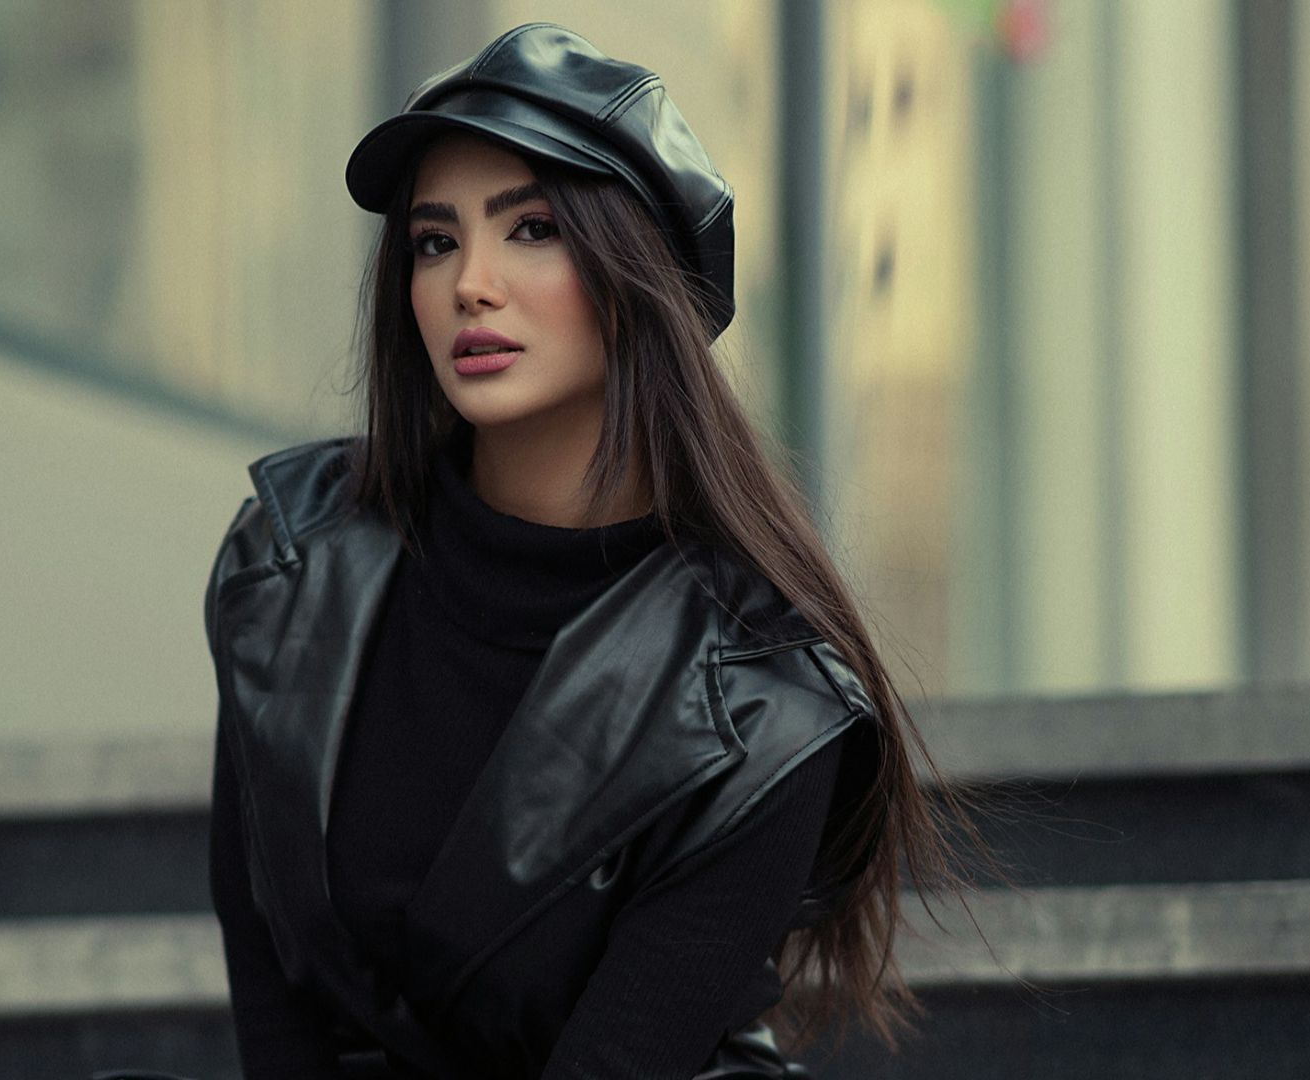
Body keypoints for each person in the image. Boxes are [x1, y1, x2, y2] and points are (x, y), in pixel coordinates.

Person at [201, 22, 983, 1080]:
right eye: (436, 242)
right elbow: (277, 1001)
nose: (471, 282)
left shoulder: (759, 701)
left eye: (530, 231)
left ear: (635, 275)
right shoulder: (293, 568)